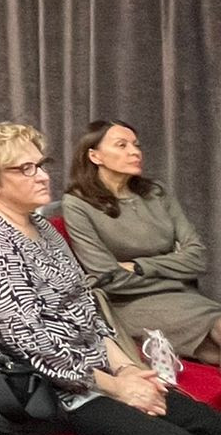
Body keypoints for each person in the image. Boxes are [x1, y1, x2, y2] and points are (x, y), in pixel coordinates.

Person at [0, 123, 221, 435]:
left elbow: (87, 307)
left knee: (211, 427)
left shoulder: (40, 225)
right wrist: (118, 387)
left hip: (94, 372)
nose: (43, 175)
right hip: (40, 389)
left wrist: (126, 369)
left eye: (42, 164)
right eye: (25, 169)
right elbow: (33, 346)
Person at [65, 120, 221, 364]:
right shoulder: (77, 204)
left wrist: (140, 266)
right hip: (130, 305)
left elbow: (197, 257)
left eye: (136, 145)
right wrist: (174, 271)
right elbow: (107, 277)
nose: (135, 151)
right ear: (95, 156)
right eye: (122, 145)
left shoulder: (156, 193)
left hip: (184, 296)